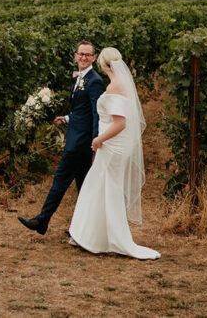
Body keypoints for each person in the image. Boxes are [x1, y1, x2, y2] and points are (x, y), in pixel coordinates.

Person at [67, 47, 160, 260]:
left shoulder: (115, 86)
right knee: (99, 187)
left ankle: (104, 237)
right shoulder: (120, 84)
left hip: (112, 146)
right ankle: (90, 236)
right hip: (112, 145)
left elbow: (120, 122)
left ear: (102, 63)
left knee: (105, 188)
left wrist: (99, 139)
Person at [17, 40, 104, 235]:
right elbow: (81, 111)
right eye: (80, 54)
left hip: (80, 142)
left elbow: (98, 112)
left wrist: (96, 139)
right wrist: (65, 118)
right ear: (75, 56)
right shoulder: (79, 78)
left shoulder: (95, 81)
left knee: (60, 180)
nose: (83, 57)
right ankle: (85, 229)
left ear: (94, 58)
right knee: (84, 186)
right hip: (77, 136)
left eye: (87, 55)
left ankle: (42, 220)